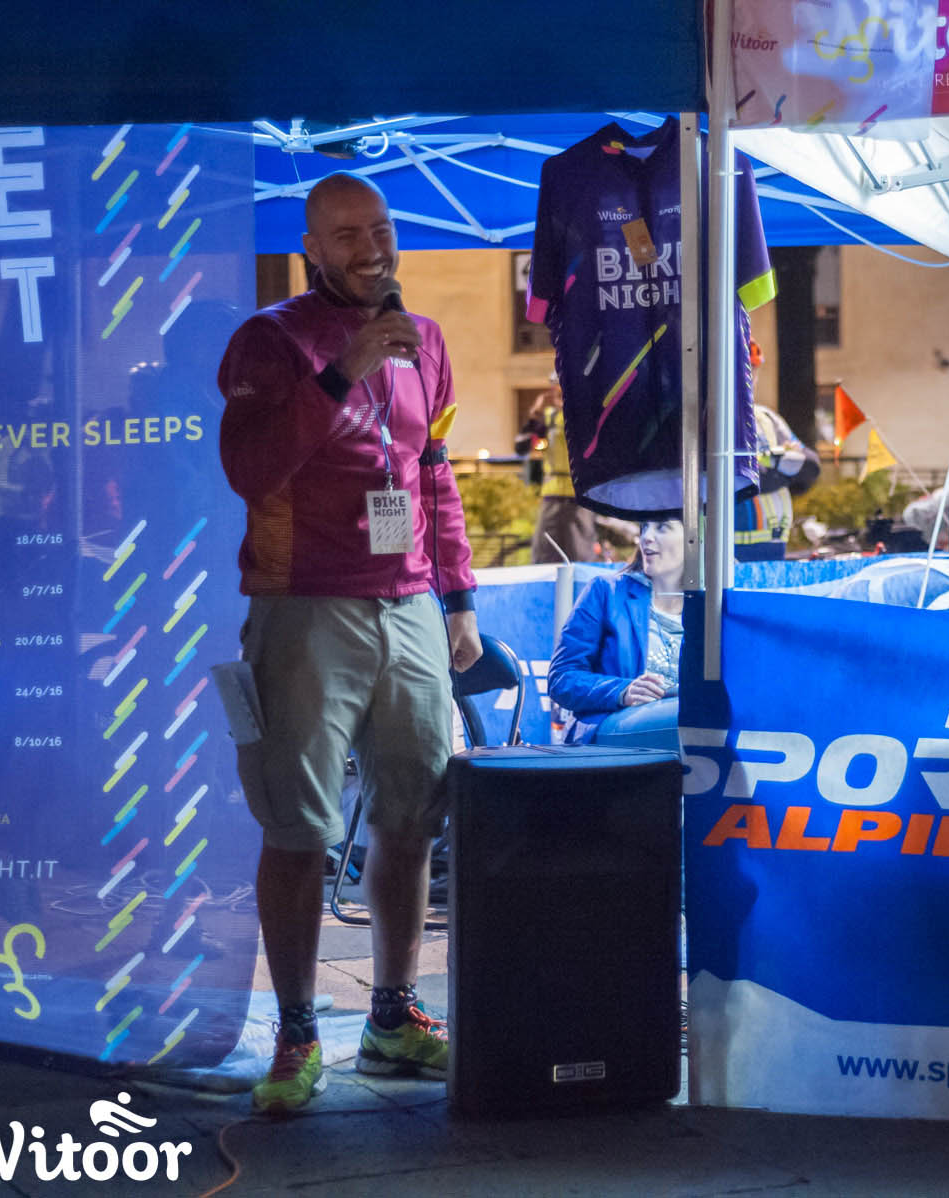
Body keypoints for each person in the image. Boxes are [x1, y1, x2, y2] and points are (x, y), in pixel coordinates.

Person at [218, 172, 483, 1115]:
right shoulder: (270, 339)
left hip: (408, 605)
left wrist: (458, 597)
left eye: (382, 228)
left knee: (413, 816)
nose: (373, 248)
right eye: (348, 234)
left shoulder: (429, 340)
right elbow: (250, 469)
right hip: (305, 604)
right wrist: (343, 371)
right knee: (298, 827)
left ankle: (392, 1017)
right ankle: (297, 1033)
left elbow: (432, 472)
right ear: (312, 249)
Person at [548, 518, 684, 752]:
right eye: (644, 527)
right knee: (693, 722)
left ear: (696, 538)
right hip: (610, 729)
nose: (646, 537)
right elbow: (561, 678)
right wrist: (622, 691)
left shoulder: (713, 607)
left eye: (662, 527)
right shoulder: (605, 591)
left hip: (684, 739)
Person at [515, 375, 598, 563]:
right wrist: (535, 415)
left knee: (580, 555)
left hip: (579, 497)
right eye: (555, 387)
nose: (558, 392)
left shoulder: (586, 414)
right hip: (552, 496)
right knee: (544, 554)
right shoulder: (549, 416)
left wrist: (570, 408)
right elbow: (520, 448)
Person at [735, 399, 819, 562]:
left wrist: (768, 461)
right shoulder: (713, 414)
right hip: (729, 552)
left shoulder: (766, 417)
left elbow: (810, 467)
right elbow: (742, 479)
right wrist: (785, 465)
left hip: (774, 547)